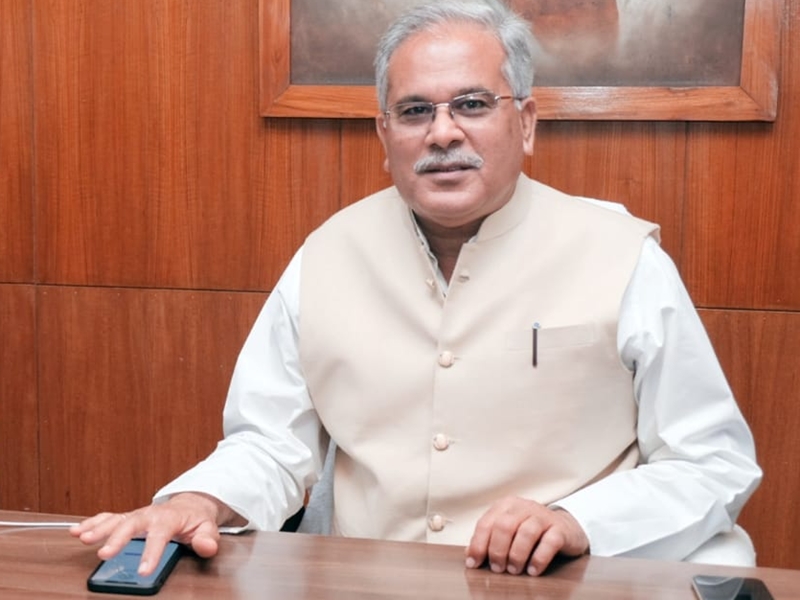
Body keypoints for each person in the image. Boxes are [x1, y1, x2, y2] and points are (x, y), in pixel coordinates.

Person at [71, 0, 762, 578]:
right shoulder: (327, 254)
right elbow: (270, 443)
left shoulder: (621, 256)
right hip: (366, 583)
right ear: (384, 134)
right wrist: (199, 500)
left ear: (525, 123)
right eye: (413, 111)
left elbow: (713, 462)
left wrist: (579, 520)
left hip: (561, 586)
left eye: (472, 104)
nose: (442, 132)